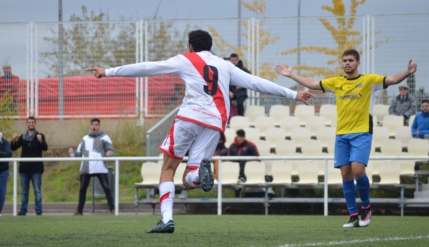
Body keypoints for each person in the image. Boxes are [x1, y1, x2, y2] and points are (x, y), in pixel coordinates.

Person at [86, 29, 315, 233]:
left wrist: (108, 71)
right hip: (216, 122)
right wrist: (293, 94)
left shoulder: (186, 60)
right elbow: (255, 82)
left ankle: (167, 219)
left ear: (190, 47)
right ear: (211, 47)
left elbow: (148, 67)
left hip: (189, 117)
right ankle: (198, 173)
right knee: (188, 178)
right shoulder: (226, 65)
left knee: (168, 168)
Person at [276, 49, 417, 228]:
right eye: (344, 60)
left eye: (350, 60)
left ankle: (366, 208)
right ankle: (353, 215)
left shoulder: (369, 80)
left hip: (362, 132)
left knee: (358, 171)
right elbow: (312, 84)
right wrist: (291, 75)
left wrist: (407, 72)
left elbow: (392, 79)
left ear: (358, 62)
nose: (347, 63)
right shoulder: (337, 81)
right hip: (342, 134)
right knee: (345, 174)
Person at [68, 118, 115, 216]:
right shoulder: (85, 138)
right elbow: (78, 153)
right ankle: (79, 211)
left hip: (100, 167)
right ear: (90, 126)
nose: (94, 126)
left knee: (106, 187)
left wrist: (109, 153)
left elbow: (111, 150)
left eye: (96, 124)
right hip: (86, 167)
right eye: (92, 124)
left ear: (99, 126)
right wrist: (72, 153)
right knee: (82, 189)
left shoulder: (105, 137)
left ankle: (113, 209)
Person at [11, 116, 48, 216]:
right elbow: (14, 147)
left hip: (36, 168)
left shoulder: (40, 136)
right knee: (24, 191)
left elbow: (45, 148)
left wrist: (40, 141)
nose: (31, 124)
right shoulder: (23, 137)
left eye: (32, 122)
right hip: (24, 169)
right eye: (29, 122)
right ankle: (23, 211)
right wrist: (13, 140)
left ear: (35, 124)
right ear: (26, 124)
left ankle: (38, 210)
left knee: (37, 190)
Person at [228, 129, 259, 197]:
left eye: (241, 137)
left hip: (248, 169)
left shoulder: (251, 145)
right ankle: (238, 188)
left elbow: (257, 159)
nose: (239, 139)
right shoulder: (232, 146)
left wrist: (247, 160)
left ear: (244, 137)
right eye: (238, 137)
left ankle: (241, 180)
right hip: (234, 169)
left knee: (244, 161)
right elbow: (228, 159)